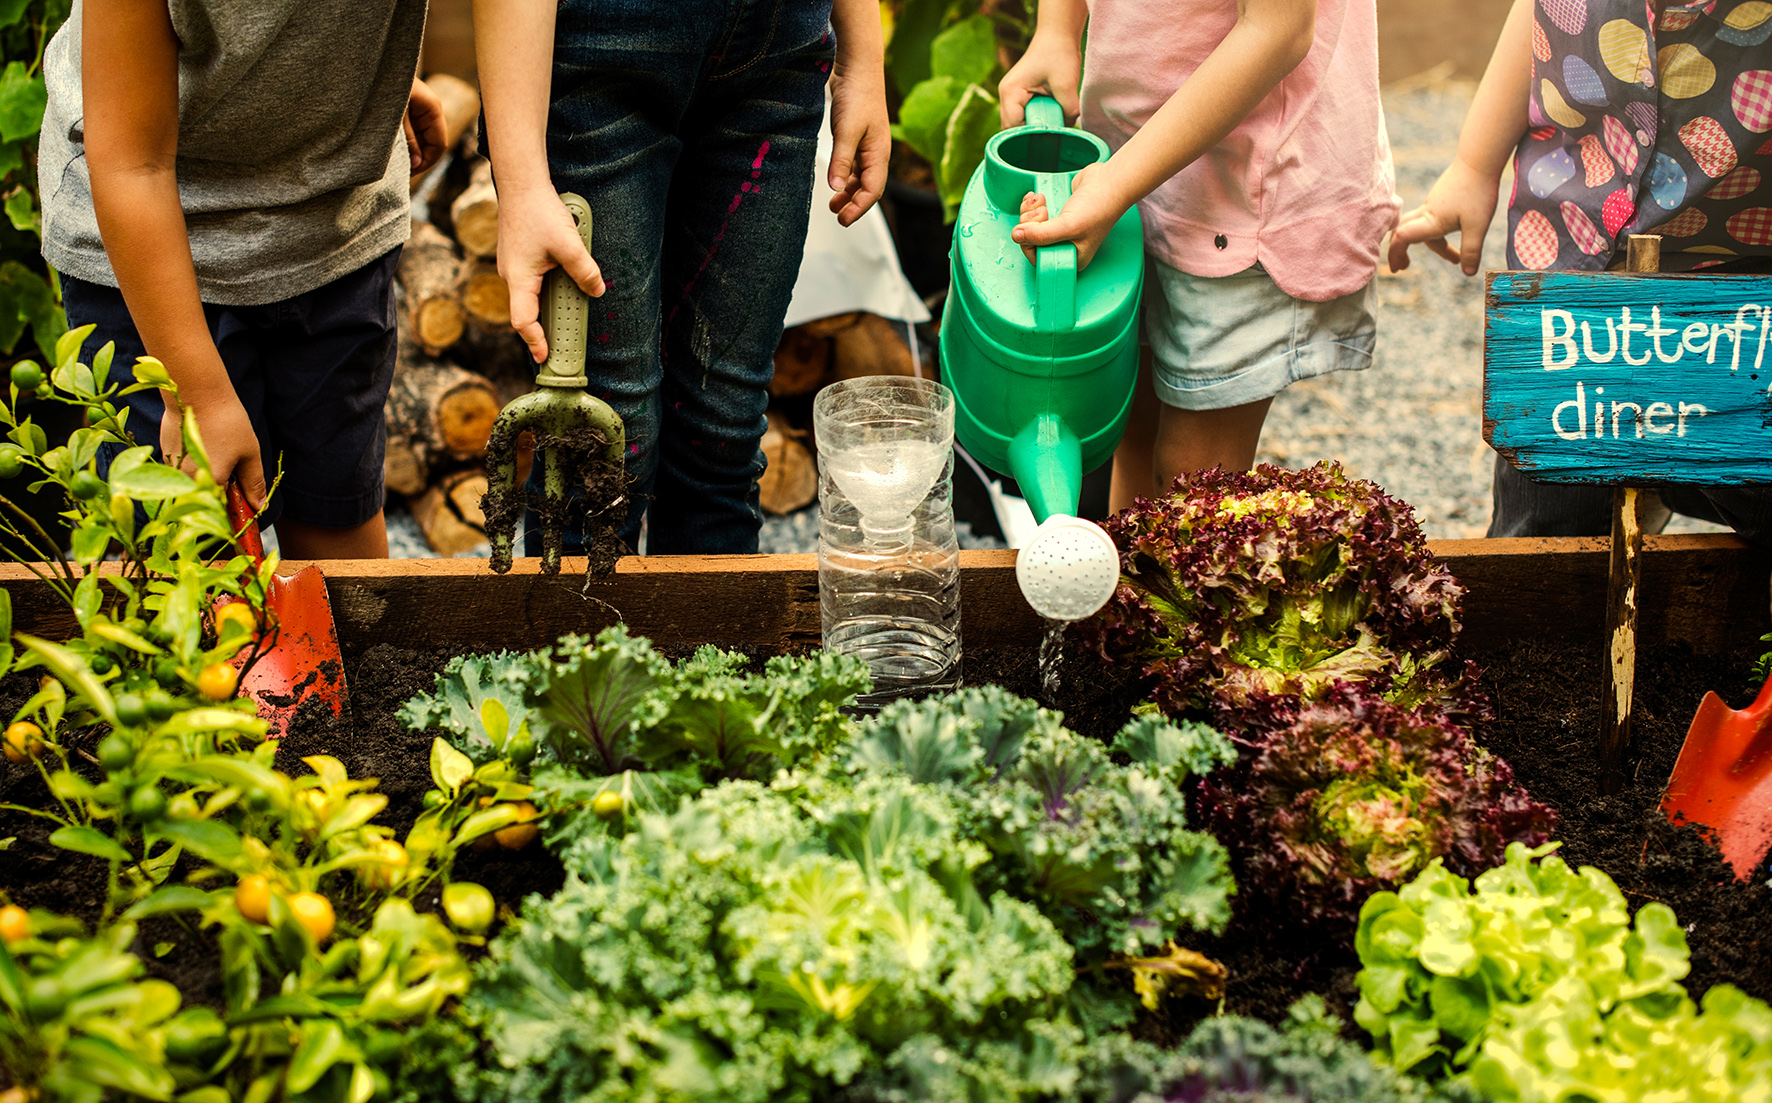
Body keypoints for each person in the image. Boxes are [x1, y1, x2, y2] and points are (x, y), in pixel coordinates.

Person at [475, 0, 890, 555]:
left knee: (722, 433)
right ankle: (580, 640)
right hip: (602, 50)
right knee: (602, 440)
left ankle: (706, 641)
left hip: (781, 55)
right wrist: (522, 182)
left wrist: (862, 62)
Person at [38, 0, 445, 559]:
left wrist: (353, 73)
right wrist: (196, 396)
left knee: (339, 528)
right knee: (193, 553)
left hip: (334, 231)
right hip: (150, 254)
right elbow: (132, 166)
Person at [1389, 0, 1772, 543]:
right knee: (1546, 521)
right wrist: (1473, 166)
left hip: (1733, 250)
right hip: (1573, 241)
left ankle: (1667, 477)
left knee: (1748, 479)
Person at [999, 0, 1398, 511]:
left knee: (1192, 481)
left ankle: (1177, 590)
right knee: (1132, 433)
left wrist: (1114, 188)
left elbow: (1279, 31)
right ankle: (1132, 589)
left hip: (1244, 195)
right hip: (1129, 165)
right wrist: (1057, 28)